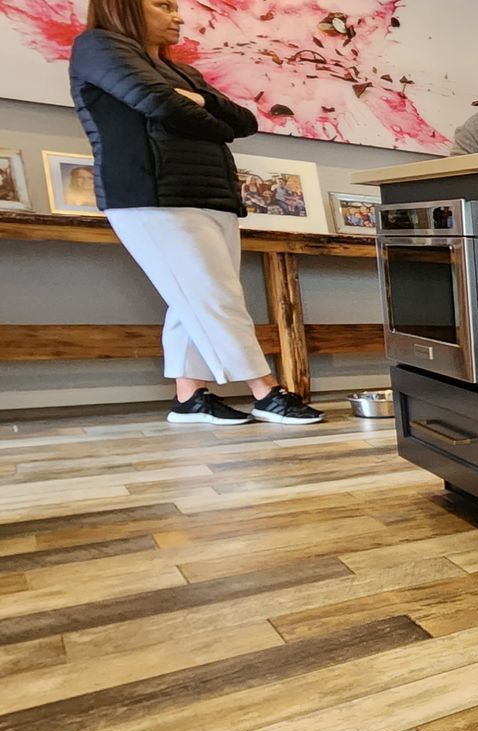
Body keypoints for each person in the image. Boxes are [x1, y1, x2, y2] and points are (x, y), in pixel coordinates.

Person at [68, 0, 324, 425]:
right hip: (149, 193)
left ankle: (189, 398)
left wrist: (200, 101)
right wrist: (207, 113)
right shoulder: (97, 46)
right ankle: (264, 390)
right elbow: (160, 104)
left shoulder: (182, 72)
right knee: (214, 295)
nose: (179, 16)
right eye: (163, 6)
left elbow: (243, 121)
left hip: (209, 194)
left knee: (191, 298)